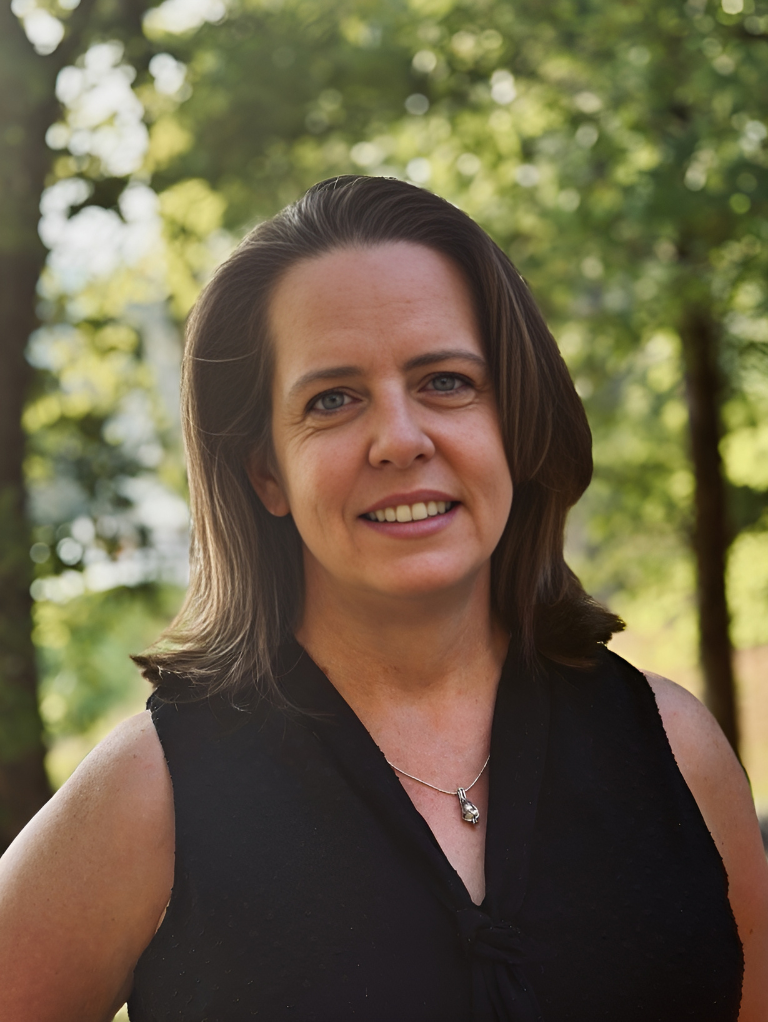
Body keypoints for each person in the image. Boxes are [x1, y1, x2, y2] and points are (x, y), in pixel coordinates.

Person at [0, 175, 766, 1022]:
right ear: (266, 473)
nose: (400, 440)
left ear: (513, 424)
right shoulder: (154, 791)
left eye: (445, 381)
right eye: (333, 400)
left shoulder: (678, 750)